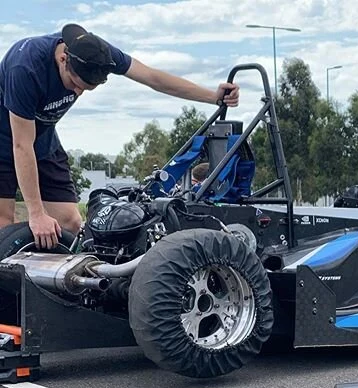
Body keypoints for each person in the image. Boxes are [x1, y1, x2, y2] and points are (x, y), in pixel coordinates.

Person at [0, 24, 240, 249]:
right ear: (63, 59)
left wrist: (213, 97)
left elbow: (153, 77)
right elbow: (21, 145)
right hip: (6, 141)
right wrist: (36, 213)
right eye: (74, 84)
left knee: (71, 225)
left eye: (86, 88)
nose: (77, 92)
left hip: (43, 141)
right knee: (5, 225)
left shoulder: (98, 53)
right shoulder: (26, 67)